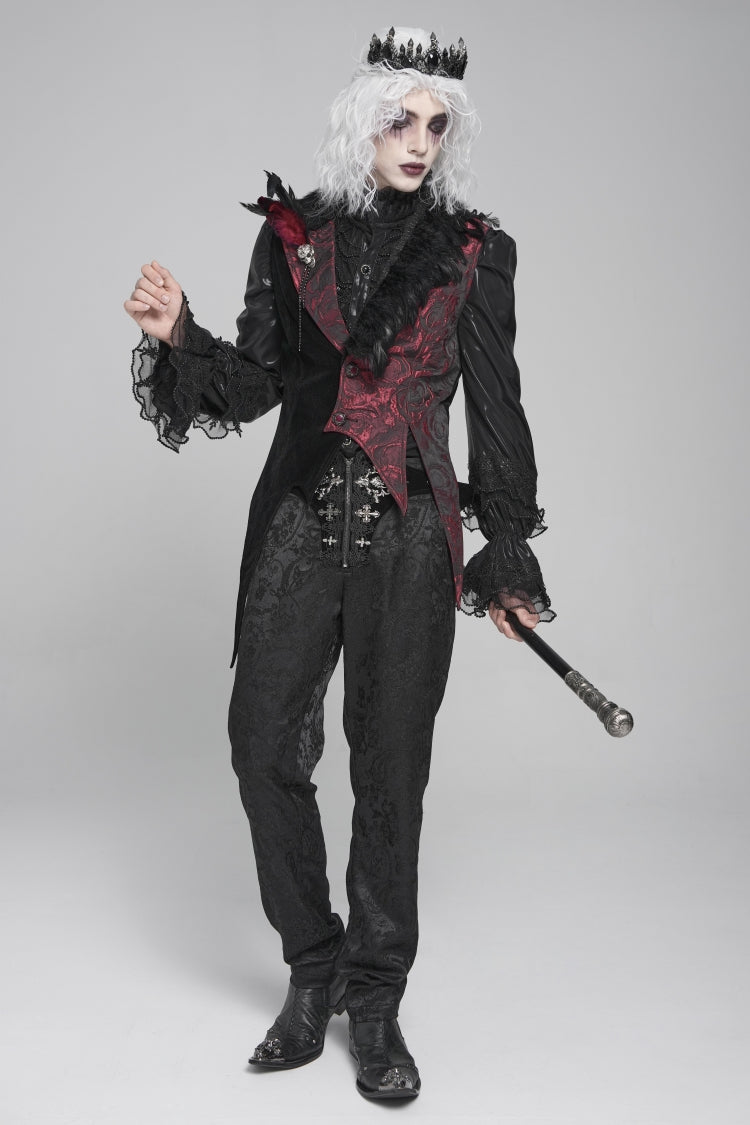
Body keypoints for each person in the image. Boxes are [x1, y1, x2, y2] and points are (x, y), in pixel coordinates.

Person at [124, 25, 554, 1101]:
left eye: (436, 126)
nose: (419, 141)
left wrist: (504, 553)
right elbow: (254, 387)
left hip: (411, 535)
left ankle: (377, 1000)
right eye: (402, 120)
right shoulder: (293, 237)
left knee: (390, 771)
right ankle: (312, 968)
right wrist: (180, 335)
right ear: (363, 119)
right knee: (260, 745)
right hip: (298, 522)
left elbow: (497, 410)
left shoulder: (473, 252)